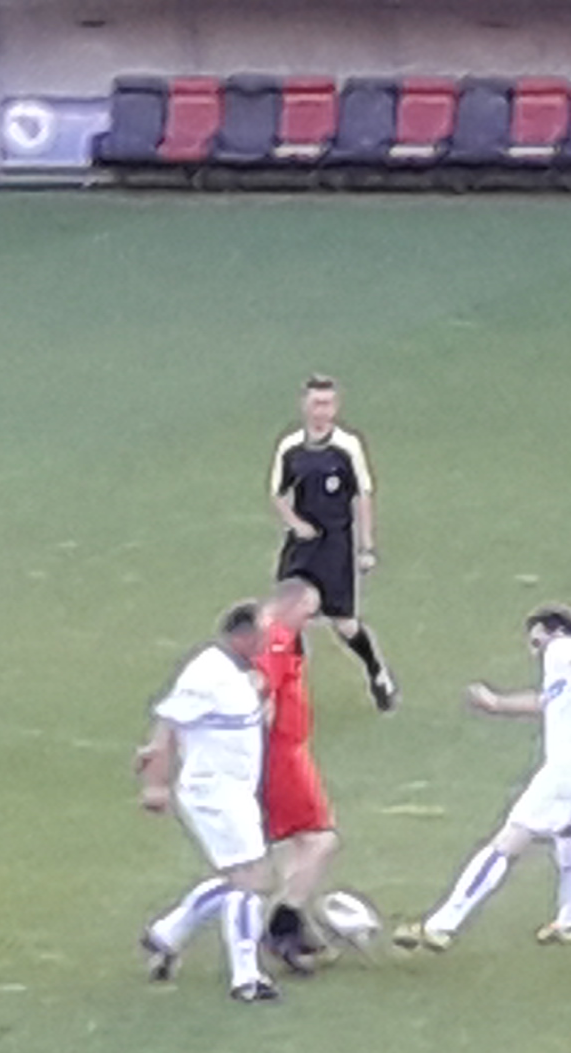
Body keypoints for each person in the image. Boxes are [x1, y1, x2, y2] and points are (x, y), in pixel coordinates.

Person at [393, 604, 571, 953]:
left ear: (556, 631)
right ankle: (570, 921)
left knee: (507, 841)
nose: (534, 651)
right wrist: (496, 704)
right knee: (570, 827)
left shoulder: (565, 648)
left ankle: (440, 925)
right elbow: (546, 701)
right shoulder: (569, 672)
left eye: (537, 641)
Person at [139, 602, 281, 1003]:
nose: (269, 641)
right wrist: (155, 785)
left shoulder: (236, 671)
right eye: (264, 634)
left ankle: (167, 934)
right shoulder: (206, 675)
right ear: (243, 636)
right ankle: (246, 978)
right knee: (250, 880)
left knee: (246, 878)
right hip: (214, 793)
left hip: (235, 791)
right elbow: (167, 726)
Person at [271, 375, 395, 712]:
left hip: (335, 545)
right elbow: (278, 493)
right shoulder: (290, 447)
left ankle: (377, 671)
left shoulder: (347, 446)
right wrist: (296, 525)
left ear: (335, 407)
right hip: (301, 548)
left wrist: (366, 547)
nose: (321, 411)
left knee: (344, 625)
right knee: (289, 618)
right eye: (315, 403)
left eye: (326, 404)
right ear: (304, 405)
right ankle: (290, 690)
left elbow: (363, 495)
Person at [253, 577, 344, 977]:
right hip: (282, 756)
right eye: (308, 613)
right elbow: (261, 691)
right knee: (322, 840)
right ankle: (284, 923)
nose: (311, 621)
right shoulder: (275, 639)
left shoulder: (272, 636)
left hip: (282, 753)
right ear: (289, 606)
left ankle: (296, 919)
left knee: (297, 845)